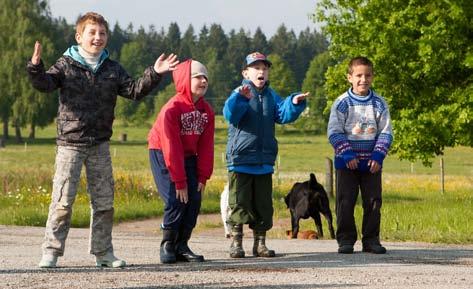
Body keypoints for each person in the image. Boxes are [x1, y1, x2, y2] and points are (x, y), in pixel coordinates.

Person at [26, 12, 179, 268]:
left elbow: (133, 90)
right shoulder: (65, 64)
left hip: (100, 144)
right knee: (62, 201)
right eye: (92, 33)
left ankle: (103, 253)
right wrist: (35, 67)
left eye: (102, 33)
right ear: (79, 36)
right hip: (70, 145)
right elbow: (45, 84)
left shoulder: (112, 68)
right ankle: (51, 252)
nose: (98, 38)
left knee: (104, 202)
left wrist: (155, 72)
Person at [223, 52, 308, 258]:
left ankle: (260, 244)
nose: (261, 71)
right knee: (239, 203)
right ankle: (236, 243)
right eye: (256, 68)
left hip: (264, 161)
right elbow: (230, 115)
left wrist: (294, 103)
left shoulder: (271, 96)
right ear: (246, 72)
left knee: (263, 204)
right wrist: (240, 99)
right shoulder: (239, 93)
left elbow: (282, 114)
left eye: (264, 68)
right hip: (241, 160)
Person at [148, 59, 215, 264]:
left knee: (194, 198)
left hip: (188, 155)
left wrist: (203, 176)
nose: (203, 80)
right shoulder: (172, 109)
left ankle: (182, 244)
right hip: (163, 152)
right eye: (197, 77)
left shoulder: (207, 111)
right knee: (176, 198)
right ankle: (167, 244)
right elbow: (171, 146)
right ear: (185, 80)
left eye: (205, 77)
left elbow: (206, 146)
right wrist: (179, 180)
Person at [327, 56, 393, 254]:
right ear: (349, 77)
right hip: (347, 163)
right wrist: (346, 154)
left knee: (373, 202)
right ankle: (346, 240)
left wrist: (378, 156)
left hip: (371, 163)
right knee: (345, 202)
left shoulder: (379, 103)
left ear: (373, 77)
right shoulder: (341, 103)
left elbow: (386, 132)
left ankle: (371, 239)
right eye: (358, 75)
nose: (363, 79)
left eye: (368, 75)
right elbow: (334, 131)